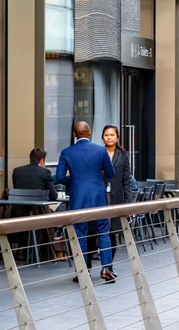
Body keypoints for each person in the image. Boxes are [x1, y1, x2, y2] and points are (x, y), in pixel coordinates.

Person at [56, 121, 116, 283]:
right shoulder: (100, 150)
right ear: (89, 133)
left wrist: (75, 182)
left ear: (74, 135)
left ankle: (83, 271)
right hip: (98, 196)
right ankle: (106, 268)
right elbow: (111, 172)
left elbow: (60, 177)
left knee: (80, 234)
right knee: (103, 231)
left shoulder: (67, 152)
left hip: (78, 197)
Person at [102, 125, 132, 271]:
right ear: (102, 137)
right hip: (100, 197)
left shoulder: (123, 155)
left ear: (117, 137)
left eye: (112, 135)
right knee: (100, 231)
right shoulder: (99, 153)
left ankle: (108, 266)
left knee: (113, 232)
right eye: (106, 135)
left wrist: (127, 204)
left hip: (116, 198)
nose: (109, 137)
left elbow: (127, 179)